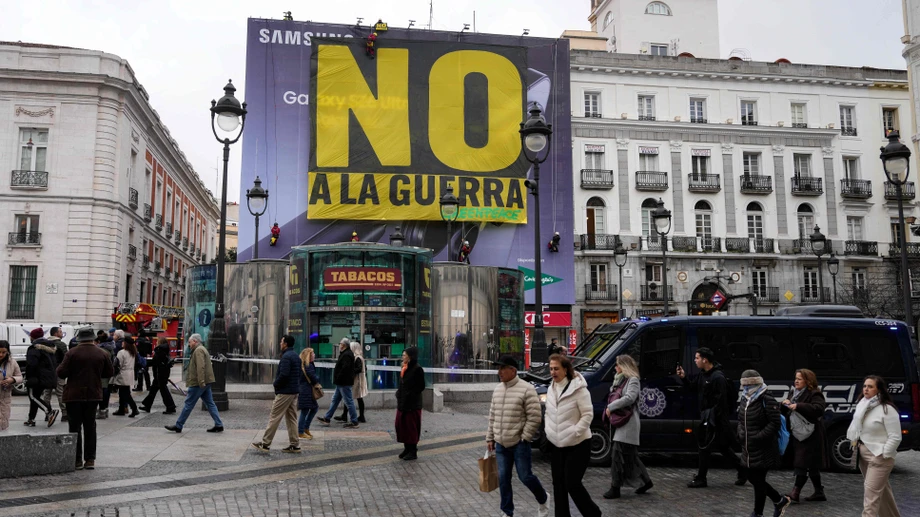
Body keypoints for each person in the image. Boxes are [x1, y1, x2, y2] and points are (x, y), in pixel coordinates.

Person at [486, 355, 549, 517]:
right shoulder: (498, 389)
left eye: (502, 368)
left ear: (513, 370)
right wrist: (490, 437)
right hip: (501, 443)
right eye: (498, 368)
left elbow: (535, 417)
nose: (499, 372)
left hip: (519, 443)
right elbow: (492, 415)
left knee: (525, 476)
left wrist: (525, 437)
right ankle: (507, 511)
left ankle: (543, 498)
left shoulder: (527, 389)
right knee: (503, 478)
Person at [676, 346, 746, 488]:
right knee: (722, 447)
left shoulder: (718, 377)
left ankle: (701, 478)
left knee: (704, 448)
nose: (695, 360)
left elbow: (722, 402)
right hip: (709, 417)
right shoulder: (703, 375)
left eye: (697, 358)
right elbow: (692, 387)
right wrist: (683, 377)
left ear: (705, 360)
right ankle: (742, 470)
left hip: (715, 419)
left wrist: (712, 419)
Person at [544, 353, 600, 517]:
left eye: (556, 369)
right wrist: (549, 430)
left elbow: (588, 415)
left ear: (566, 369)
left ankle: (593, 514)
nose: (553, 372)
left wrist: (575, 432)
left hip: (578, 444)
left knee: (572, 483)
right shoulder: (551, 388)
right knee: (558, 484)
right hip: (557, 443)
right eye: (551, 369)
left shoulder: (579, 389)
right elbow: (548, 412)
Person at [57, 327, 114, 470]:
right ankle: (90, 459)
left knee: (74, 427)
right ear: (93, 338)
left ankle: (76, 460)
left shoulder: (72, 353)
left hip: (74, 394)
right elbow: (109, 372)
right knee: (90, 426)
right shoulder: (102, 353)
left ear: (79, 339)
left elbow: (61, 372)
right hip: (93, 394)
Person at [736, 370, 790, 517]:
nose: (746, 388)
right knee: (756, 479)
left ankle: (770, 505)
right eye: (744, 385)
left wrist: (758, 436)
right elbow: (740, 420)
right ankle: (773, 504)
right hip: (748, 446)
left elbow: (775, 423)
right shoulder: (745, 398)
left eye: (748, 385)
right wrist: (741, 432)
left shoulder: (766, 398)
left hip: (763, 447)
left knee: (756, 479)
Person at [847, 375, 903, 517]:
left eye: (870, 386)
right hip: (863, 454)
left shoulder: (887, 409)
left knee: (871, 497)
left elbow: (896, 436)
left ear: (879, 390)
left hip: (879, 456)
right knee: (882, 493)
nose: (866, 389)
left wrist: (884, 454)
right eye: (865, 386)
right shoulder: (862, 405)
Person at [604, 354, 652, 499]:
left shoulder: (633, 380)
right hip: (621, 421)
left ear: (624, 366)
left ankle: (615, 488)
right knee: (630, 456)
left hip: (628, 423)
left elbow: (630, 398)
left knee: (617, 455)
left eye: (618, 365)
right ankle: (646, 482)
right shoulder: (620, 380)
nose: (615, 367)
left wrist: (611, 407)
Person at [780, 368, 827, 503]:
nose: (796, 381)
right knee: (811, 464)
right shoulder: (793, 393)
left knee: (802, 462)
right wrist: (784, 404)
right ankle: (819, 492)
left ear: (808, 381)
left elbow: (819, 409)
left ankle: (795, 492)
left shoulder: (815, 393)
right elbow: (788, 410)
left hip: (811, 433)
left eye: (799, 379)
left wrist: (798, 406)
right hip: (798, 431)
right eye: (796, 378)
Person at [252, 335, 302, 453]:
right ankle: (295, 444)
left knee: (274, 417)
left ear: (285, 344)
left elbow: (284, 374)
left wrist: (276, 384)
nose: (280, 343)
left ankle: (265, 443)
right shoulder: (295, 356)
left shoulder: (286, 357)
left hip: (285, 391)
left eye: (281, 341)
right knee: (292, 418)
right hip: (294, 391)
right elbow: (298, 373)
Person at [165, 333, 223, 433]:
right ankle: (219, 424)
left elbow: (201, 367)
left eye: (190, 342)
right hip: (205, 382)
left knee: (189, 404)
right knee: (210, 403)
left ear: (195, 341)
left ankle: (178, 425)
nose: (189, 344)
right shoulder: (201, 349)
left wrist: (201, 382)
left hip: (198, 383)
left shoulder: (198, 350)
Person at [317, 338, 360, 428]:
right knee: (335, 400)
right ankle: (327, 418)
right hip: (341, 382)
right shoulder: (345, 354)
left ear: (343, 345)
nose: (339, 345)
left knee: (348, 401)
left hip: (343, 382)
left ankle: (354, 421)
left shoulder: (347, 355)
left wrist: (338, 377)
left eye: (340, 343)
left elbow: (345, 369)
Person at [395, 347, 426, 461]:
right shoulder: (404, 368)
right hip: (403, 402)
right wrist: (399, 394)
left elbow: (420, 386)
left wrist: (410, 395)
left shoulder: (417, 369)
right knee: (402, 426)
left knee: (411, 427)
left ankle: (413, 450)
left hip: (412, 404)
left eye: (404, 355)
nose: (402, 357)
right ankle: (407, 448)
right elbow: (402, 384)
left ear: (410, 357)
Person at [25, 327, 58, 427]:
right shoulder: (50, 347)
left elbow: (31, 364)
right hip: (47, 376)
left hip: (36, 377)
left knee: (33, 396)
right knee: (35, 398)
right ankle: (31, 419)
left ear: (32, 337)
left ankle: (49, 411)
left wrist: (28, 377)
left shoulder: (34, 348)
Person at [140, 337, 177, 414]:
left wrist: (145, 363)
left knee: (163, 391)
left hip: (159, 375)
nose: (156, 342)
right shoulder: (165, 350)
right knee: (153, 390)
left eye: (157, 341)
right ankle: (147, 405)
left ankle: (170, 407)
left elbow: (156, 362)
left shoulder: (160, 351)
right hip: (161, 374)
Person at [337, 341, 367, 423]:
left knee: (351, 397)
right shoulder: (359, 357)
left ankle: (356, 416)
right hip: (358, 380)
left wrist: (351, 371)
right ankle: (349, 415)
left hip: (357, 381)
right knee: (354, 397)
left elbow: (359, 369)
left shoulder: (358, 358)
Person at [43, 326, 68, 422]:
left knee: (47, 393)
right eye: (60, 332)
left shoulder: (44, 343)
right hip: (58, 372)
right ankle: (65, 414)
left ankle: (47, 413)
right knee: (60, 393)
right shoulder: (61, 344)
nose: (62, 333)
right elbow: (66, 359)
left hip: (47, 372)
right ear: (55, 334)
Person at [111, 337, 139, 417]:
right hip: (130, 374)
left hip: (122, 374)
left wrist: (114, 374)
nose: (122, 343)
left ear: (126, 343)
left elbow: (118, 364)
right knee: (123, 393)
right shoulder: (133, 352)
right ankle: (121, 409)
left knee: (125, 394)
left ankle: (134, 408)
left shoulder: (121, 352)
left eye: (123, 342)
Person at [297, 347, 320, 440]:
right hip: (306, 391)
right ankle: (301, 431)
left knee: (314, 408)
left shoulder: (303, 365)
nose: (314, 355)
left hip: (305, 390)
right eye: (312, 353)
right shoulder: (308, 366)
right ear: (308, 356)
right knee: (305, 411)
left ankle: (305, 428)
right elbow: (314, 378)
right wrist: (318, 378)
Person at [0, 341, 23, 431]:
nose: (1, 355)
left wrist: (12, 380)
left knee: (3, 423)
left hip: (5, 396)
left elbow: (20, 377)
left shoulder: (12, 362)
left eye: (4, 352)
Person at [96, 330, 117, 419]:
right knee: (106, 391)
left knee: (102, 391)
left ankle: (102, 409)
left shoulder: (100, 350)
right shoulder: (110, 348)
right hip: (109, 372)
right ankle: (105, 408)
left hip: (101, 373)